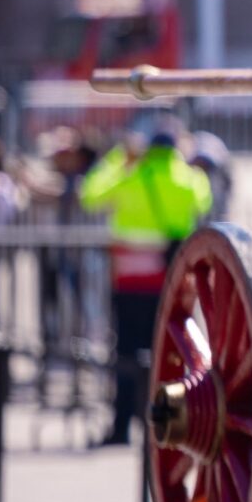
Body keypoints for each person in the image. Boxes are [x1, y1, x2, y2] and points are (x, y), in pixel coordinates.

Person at [79, 122, 213, 447]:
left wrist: (116, 159)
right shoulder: (189, 178)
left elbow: (89, 195)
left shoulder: (131, 175)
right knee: (169, 353)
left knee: (125, 352)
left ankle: (122, 423)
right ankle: (167, 421)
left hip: (129, 280)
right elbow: (204, 202)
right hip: (171, 281)